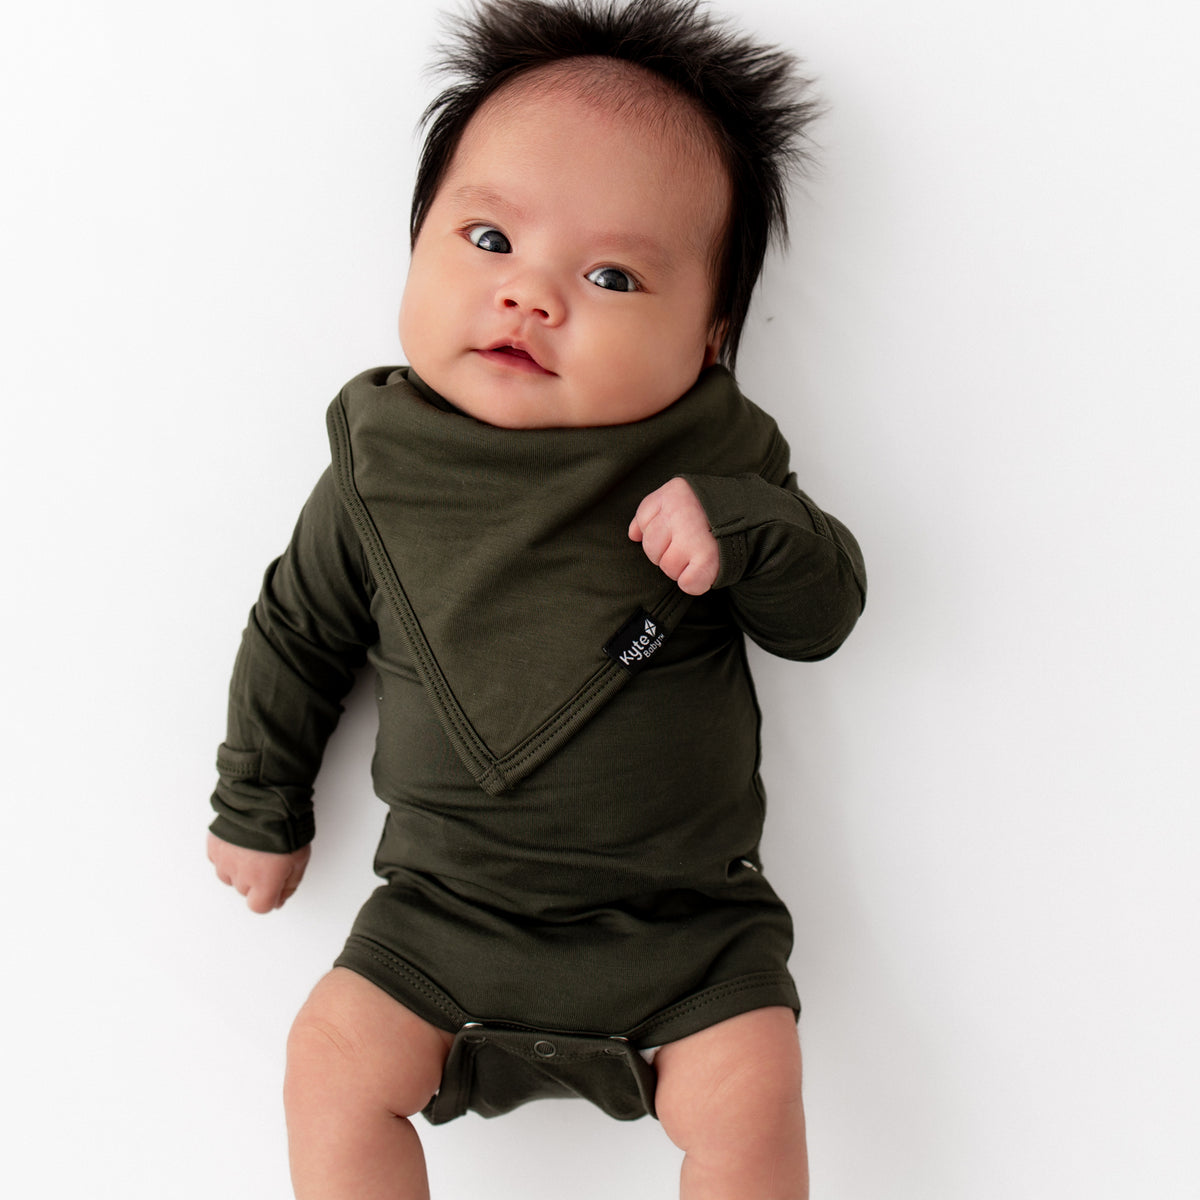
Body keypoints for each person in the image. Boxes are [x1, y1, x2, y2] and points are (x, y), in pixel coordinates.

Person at [206, 1, 865, 1196]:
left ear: (709, 337)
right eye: (489, 241)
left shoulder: (716, 454)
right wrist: (258, 799)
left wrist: (749, 527)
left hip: (686, 930)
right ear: (415, 246)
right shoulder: (381, 465)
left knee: (753, 1088)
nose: (532, 297)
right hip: (443, 918)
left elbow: (822, 619)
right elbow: (297, 633)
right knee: (327, 1061)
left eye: (612, 275)